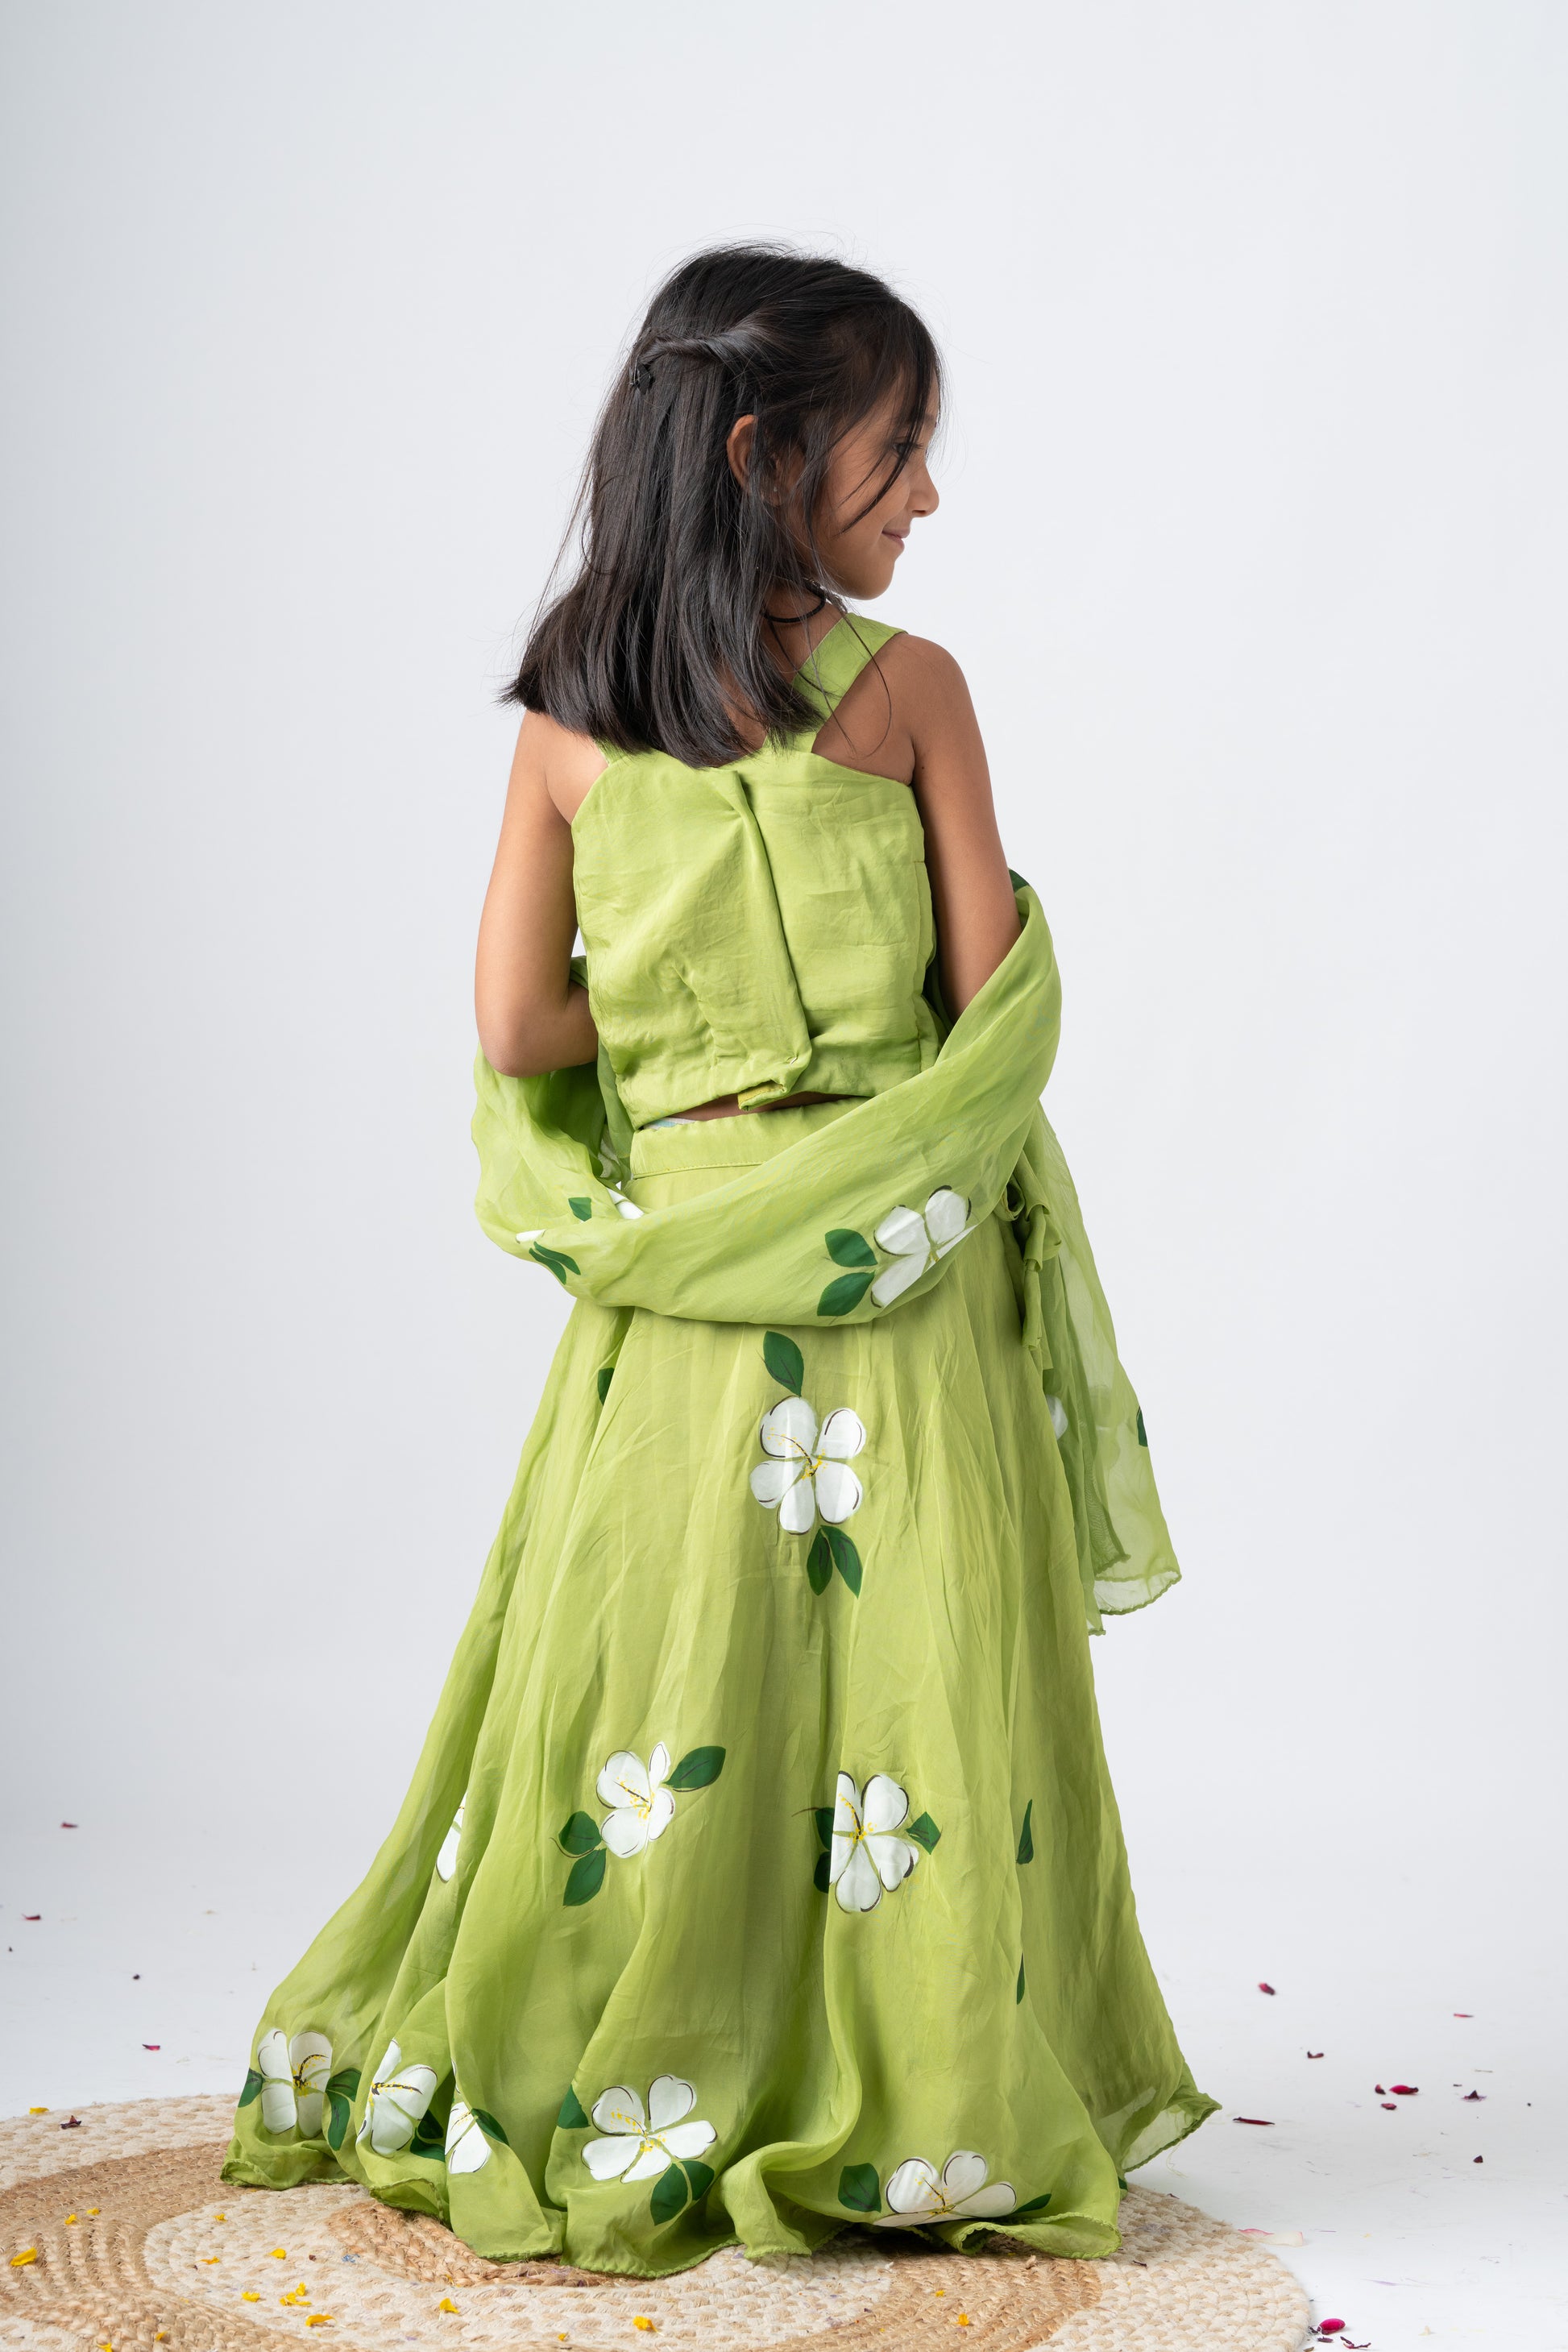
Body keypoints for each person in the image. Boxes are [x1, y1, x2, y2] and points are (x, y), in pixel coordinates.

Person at [222, 244, 1218, 2280]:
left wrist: (688, 1037)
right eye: (900, 448)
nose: (925, 493)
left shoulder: (568, 718)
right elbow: (985, 1001)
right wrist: (843, 1052)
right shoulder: (910, 693)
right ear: (768, 456)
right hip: (898, 1276)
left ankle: (651, 2068)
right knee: (918, 1676)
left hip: (676, 1280)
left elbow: (519, 1028)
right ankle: (920, 2095)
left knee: (661, 1682)